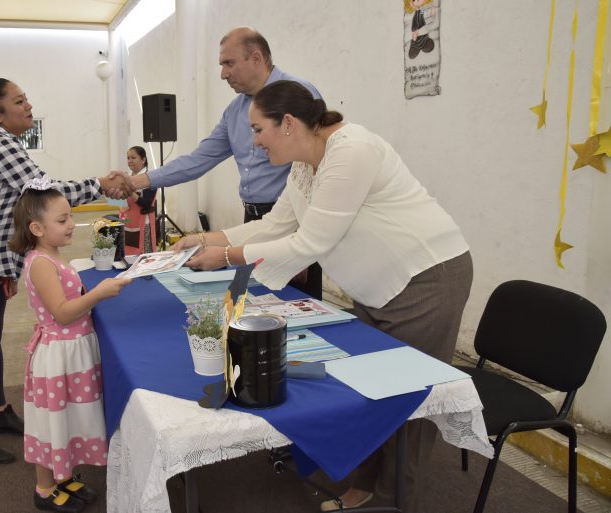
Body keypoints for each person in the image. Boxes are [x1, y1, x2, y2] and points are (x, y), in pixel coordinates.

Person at [172, 80, 473, 513]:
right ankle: (363, 484)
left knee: (409, 396)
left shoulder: (352, 151)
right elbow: (276, 226)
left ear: (288, 123)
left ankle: (393, 500)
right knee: (365, 387)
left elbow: (310, 242)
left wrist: (225, 256)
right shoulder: (303, 163)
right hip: (379, 286)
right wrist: (204, 238)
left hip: (426, 279)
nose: (254, 143)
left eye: (258, 130)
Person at [0, 78, 131, 465]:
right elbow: (43, 194)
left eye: (27, 99)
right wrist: (100, 185)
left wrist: (6, 268)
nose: (28, 107)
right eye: (19, 101)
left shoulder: (2, 142)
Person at [109, 26, 324, 298]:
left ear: (256, 58)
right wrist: (134, 181)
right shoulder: (234, 111)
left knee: (300, 307)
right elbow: (198, 160)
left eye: (229, 63)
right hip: (254, 220)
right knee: (255, 303)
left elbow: (319, 168)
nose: (223, 73)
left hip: (294, 223)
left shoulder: (300, 95)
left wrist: (302, 245)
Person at [9, 181, 131, 513]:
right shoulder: (41, 263)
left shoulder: (53, 255)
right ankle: (44, 488)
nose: (71, 225)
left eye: (70, 217)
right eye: (62, 220)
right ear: (36, 228)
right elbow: (62, 313)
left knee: (69, 417)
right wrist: (98, 293)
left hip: (73, 352)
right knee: (51, 423)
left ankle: (63, 476)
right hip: (58, 355)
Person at [119, 146, 157, 255]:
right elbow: (118, 203)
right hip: (127, 223)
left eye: (133, 158)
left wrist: (129, 191)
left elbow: (147, 204)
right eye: (128, 158)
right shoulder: (127, 176)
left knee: (144, 258)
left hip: (142, 223)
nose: (129, 161)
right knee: (128, 256)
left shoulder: (150, 178)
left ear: (143, 160)